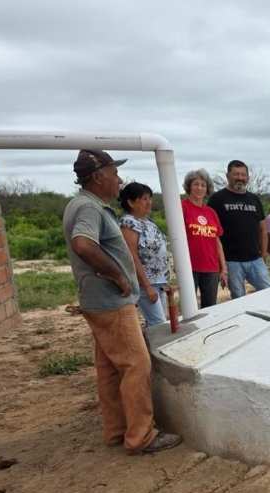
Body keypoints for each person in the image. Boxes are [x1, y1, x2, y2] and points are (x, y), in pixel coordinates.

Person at [62, 149, 181, 454]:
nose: (119, 179)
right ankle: (142, 436)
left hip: (98, 300)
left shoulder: (82, 204)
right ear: (97, 176)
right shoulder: (89, 208)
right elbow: (83, 244)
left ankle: (116, 430)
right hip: (111, 301)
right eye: (114, 173)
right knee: (136, 364)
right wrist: (118, 276)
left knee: (109, 369)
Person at [208, 160, 270, 298]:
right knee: (239, 298)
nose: (240, 178)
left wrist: (263, 254)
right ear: (228, 176)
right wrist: (221, 264)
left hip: (255, 259)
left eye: (243, 175)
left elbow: (263, 229)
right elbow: (212, 233)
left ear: (248, 178)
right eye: (236, 174)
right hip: (231, 261)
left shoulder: (254, 199)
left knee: (269, 292)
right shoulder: (216, 199)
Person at [118, 182, 169, 326]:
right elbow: (132, 255)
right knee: (158, 323)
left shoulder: (149, 222)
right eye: (144, 199)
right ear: (131, 202)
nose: (149, 202)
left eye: (150, 198)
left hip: (159, 281)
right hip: (146, 283)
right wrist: (147, 286)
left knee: (161, 323)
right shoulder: (129, 223)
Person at [181, 169, 227, 308]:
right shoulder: (181, 207)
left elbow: (217, 241)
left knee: (210, 307)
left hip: (211, 267)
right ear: (189, 186)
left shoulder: (211, 212)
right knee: (190, 308)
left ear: (207, 189)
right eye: (196, 184)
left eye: (203, 185)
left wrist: (223, 269)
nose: (199, 188)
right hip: (189, 266)